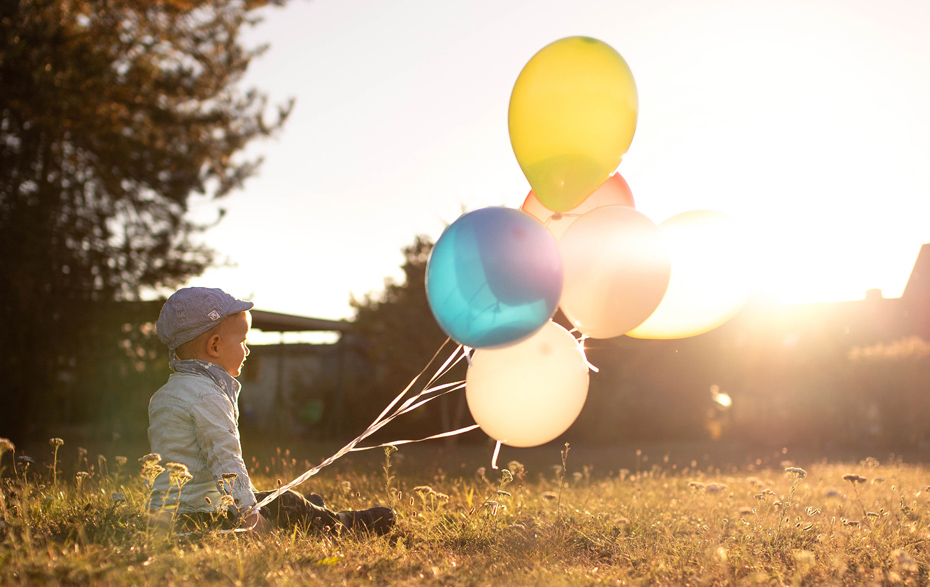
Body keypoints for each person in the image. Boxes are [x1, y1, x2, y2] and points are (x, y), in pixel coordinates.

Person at [148, 287, 394, 535]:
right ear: (214, 346)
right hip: (204, 516)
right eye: (243, 342)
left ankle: (313, 509)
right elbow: (226, 460)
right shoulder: (208, 396)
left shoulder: (165, 394)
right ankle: (344, 523)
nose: (247, 351)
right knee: (288, 501)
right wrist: (250, 515)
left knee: (280, 501)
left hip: (168, 517)